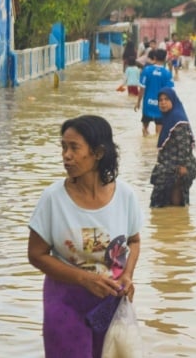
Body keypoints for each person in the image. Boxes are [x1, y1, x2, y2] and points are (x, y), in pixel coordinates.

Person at [28, 115, 143, 358]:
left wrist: (129, 275)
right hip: (65, 302)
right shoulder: (52, 199)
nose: (66, 155)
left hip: (110, 302)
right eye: (63, 147)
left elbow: (134, 240)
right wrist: (83, 279)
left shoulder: (125, 196)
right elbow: (36, 255)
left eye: (74, 147)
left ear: (98, 152)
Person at [150, 87, 196, 208]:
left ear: (173, 101)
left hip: (178, 168)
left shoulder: (177, 119)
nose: (163, 102)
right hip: (168, 166)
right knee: (166, 201)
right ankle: (173, 223)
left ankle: (176, 223)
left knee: (174, 199)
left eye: (166, 99)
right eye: (160, 100)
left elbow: (184, 145)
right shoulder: (168, 118)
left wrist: (182, 166)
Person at [135, 49, 174, 136]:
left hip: (147, 105)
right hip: (161, 105)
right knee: (158, 134)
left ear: (155, 57)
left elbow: (142, 88)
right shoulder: (167, 73)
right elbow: (170, 92)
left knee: (144, 130)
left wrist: (138, 102)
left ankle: (144, 147)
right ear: (165, 59)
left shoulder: (147, 70)